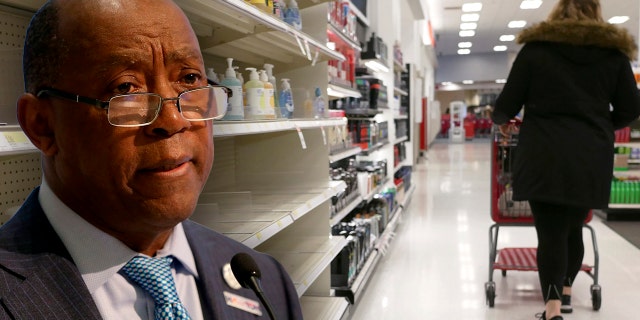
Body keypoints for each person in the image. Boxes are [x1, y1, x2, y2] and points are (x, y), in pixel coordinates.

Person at [0, 0, 303, 319]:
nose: (173, 120)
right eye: (125, 88)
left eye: (189, 79)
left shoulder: (266, 282)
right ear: (42, 125)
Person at [492, 0, 640, 319]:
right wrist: (599, 123)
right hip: (589, 154)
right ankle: (568, 292)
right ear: (596, 12)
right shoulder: (614, 55)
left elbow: (506, 104)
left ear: (558, 12)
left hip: (543, 152)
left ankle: (553, 309)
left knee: (550, 234)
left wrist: (505, 119)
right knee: (574, 227)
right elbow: (630, 110)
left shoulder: (536, 50)